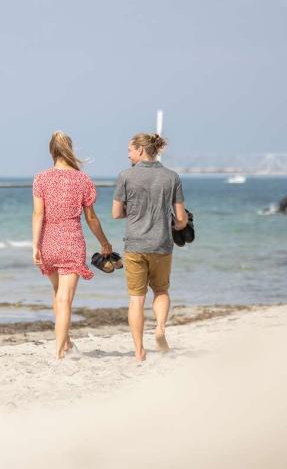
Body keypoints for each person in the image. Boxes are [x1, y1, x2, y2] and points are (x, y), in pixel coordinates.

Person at [32, 131, 113, 359]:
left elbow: (38, 214)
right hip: (72, 242)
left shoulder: (41, 178)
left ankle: (66, 343)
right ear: (70, 150)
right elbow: (91, 218)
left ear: (51, 151)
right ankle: (59, 351)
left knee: (58, 294)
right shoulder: (82, 179)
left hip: (48, 241)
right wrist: (104, 242)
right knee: (65, 298)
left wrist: (35, 245)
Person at [112, 133, 188, 362]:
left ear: (141, 150)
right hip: (161, 244)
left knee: (136, 298)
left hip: (135, 244)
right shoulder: (172, 177)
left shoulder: (125, 176)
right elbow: (181, 219)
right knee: (162, 291)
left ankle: (138, 351)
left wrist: (133, 212)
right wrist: (178, 223)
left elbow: (116, 214)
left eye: (130, 150)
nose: (127, 154)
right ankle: (160, 329)